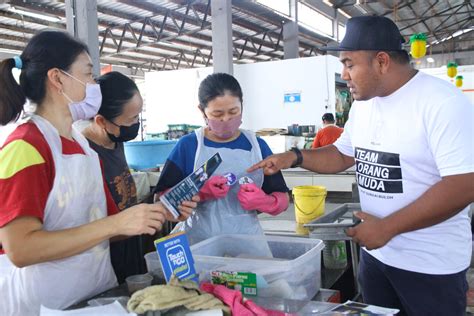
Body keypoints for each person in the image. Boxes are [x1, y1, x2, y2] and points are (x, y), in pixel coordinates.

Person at [249, 16, 474, 316]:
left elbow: (464, 183)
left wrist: (388, 228)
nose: (344, 75)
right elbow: (343, 155)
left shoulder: (441, 103)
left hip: (429, 266)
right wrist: (295, 157)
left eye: (349, 64)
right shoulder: (365, 105)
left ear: (381, 61)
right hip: (376, 259)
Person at [0, 30, 196, 315]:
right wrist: (116, 224)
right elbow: (21, 249)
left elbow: (101, 227)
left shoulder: (82, 147)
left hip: (93, 297)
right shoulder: (25, 147)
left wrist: (153, 215)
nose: (94, 86)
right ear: (57, 79)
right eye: (89, 75)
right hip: (44, 304)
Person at [153, 73, 290, 245]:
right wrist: (200, 192)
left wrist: (265, 202)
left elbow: (283, 199)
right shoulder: (189, 146)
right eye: (217, 114)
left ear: (242, 105)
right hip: (199, 243)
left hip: (247, 242)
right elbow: (162, 200)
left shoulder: (257, 146)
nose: (226, 119)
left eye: (234, 112)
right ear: (202, 111)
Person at [81, 71, 145, 283]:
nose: (136, 124)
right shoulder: (85, 154)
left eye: (139, 116)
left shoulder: (116, 140)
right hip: (105, 257)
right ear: (101, 121)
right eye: (132, 119)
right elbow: (90, 225)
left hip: (131, 245)